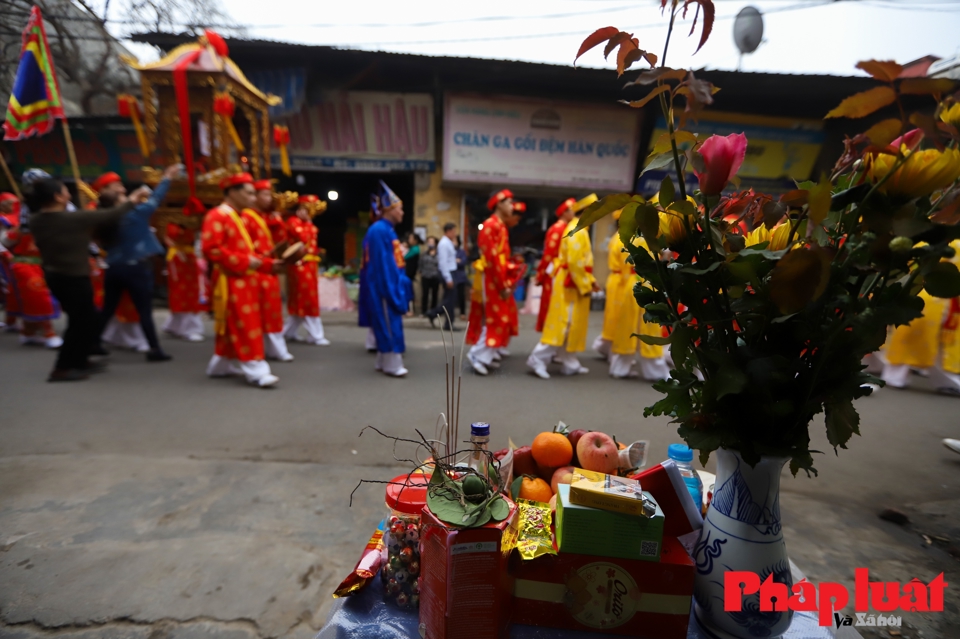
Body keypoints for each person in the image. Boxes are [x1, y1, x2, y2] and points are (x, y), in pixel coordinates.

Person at [27, 177, 140, 381]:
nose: (69, 193)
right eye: (65, 190)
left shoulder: (36, 220)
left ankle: (79, 360)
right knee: (81, 322)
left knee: (84, 319)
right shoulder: (71, 219)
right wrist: (133, 200)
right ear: (58, 196)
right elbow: (111, 214)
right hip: (73, 277)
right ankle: (62, 367)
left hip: (56, 275)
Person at [202, 172, 285, 388]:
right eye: (249, 193)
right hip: (231, 280)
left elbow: (250, 254)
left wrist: (268, 266)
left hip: (244, 278)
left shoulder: (237, 216)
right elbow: (211, 249)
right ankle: (257, 370)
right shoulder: (218, 216)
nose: (253, 198)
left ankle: (219, 366)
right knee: (247, 323)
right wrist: (245, 262)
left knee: (237, 323)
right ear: (232, 192)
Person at [92, 170, 174, 362]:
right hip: (136, 268)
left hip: (113, 268)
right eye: (121, 196)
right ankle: (154, 349)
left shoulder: (102, 219)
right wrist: (167, 178)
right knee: (144, 310)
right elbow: (156, 199)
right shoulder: (135, 215)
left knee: (108, 308)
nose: (125, 196)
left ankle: (94, 342)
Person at [526, 196, 600, 379]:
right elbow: (575, 263)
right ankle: (538, 358)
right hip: (570, 283)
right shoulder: (577, 230)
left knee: (571, 324)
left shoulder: (579, 229)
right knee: (563, 323)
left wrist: (589, 280)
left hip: (572, 281)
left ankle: (569, 362)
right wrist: (586, 283)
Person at [596, 216, 670, 380]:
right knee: (649, 326)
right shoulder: (642, 239)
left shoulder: (620, 237)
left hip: (627, 283)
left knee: (626, 327)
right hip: (641, 282)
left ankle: (620, 368)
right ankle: (656, 371)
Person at [466, 189, 524, 375]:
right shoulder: (491, 226)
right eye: (508, 203)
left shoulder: (499, 226)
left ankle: (485, 355)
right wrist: (503, 285)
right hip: (492, 277)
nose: (511, 206)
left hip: (496, 276)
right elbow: (492, 260)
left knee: (498, 317)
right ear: (498, 204)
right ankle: (477, 354)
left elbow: (500, 259)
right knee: (495, 317)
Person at [359, 180, 410, 377]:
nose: (402, 213)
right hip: (384, 285)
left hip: (388, 283)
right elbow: (383, 265)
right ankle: (392, 364)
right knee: (389, 323)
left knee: (385, 321)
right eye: (400, 209)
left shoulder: (386, 229)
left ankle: (383, 360)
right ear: (390, 210)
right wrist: (392, 289)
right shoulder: (380, 230)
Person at [0, 190, 62, 348]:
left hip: (44, 265)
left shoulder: (50, 224)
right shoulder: (23, 227)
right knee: (39, 296)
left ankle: (29, 332)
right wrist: (9, 251)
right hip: (24, 265)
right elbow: (5, 242)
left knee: (33, 299)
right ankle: (49, 333)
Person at [242, 180, 293, 361]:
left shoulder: (265, 216)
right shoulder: (247, 216)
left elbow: (280, 239)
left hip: (268, 267)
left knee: (271, 309)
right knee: (261, 311)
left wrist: (277, 220)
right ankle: (266, 349)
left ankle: (272, 347)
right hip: (256, 268)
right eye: (264, 194)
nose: (268, 198)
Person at [283, 194, 330, 346]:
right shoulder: (293, 222)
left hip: (310, 265)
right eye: (304, 209)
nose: (306, 213)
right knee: (307, 298)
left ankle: (289, 332)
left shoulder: (309, 225)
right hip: (299, 265)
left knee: (303, 298)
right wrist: (309, 224)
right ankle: (315, 335)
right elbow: (302, 238)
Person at [537, 198, 578, 333]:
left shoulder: (566, 228)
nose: (574, 213)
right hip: (554, 272)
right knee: (552, 306)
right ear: (563, 212)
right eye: (571, 210)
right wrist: (541, 274)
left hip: (558, 271)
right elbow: (548, 255)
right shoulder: (558, 229)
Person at [162, 221, 205, 341]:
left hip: (188, 258)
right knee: (180, 293)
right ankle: (188, 328)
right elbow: (168, 237)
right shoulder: (171, 224)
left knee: (189, 292)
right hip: (178, 259)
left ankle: (176, 325)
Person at [426, 222, 459, 330]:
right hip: (448, 272)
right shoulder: (444, 244)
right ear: (448, 231)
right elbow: (443, 262)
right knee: (449, 300)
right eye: (453, 231)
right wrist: (448, 278)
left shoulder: (448, 243)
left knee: (449, 299)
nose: (455, 234)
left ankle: (435, 314)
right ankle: (442, 319)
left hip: (451, 271)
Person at [419, 237, 441, 317]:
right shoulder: (424, 254)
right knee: (425, 294)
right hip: (425, 276)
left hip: (435, 276)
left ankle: (433, 312)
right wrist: (421, 272)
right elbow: (420, 264)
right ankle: (424, 311)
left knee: (434, 294)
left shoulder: (438, 254)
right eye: (429, 242)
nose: (430, 243)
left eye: (432, 242)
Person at [403, 233, 420, 315]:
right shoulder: (411, 248)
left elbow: (404, 257)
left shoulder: (415, 249)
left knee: (408, 292)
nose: (409, 240)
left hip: (409, 274)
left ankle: (410, 310)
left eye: (410, 238)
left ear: (415, 240)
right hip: (407, 274)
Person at [453, 236, 469, 320]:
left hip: (460, 277)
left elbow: (463, 262)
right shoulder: (450, 251)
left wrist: (456, 261)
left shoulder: (462, 252)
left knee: (461, 296)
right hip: (452, 276)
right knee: (451, 296)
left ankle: (462, 313)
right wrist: (456, 260)